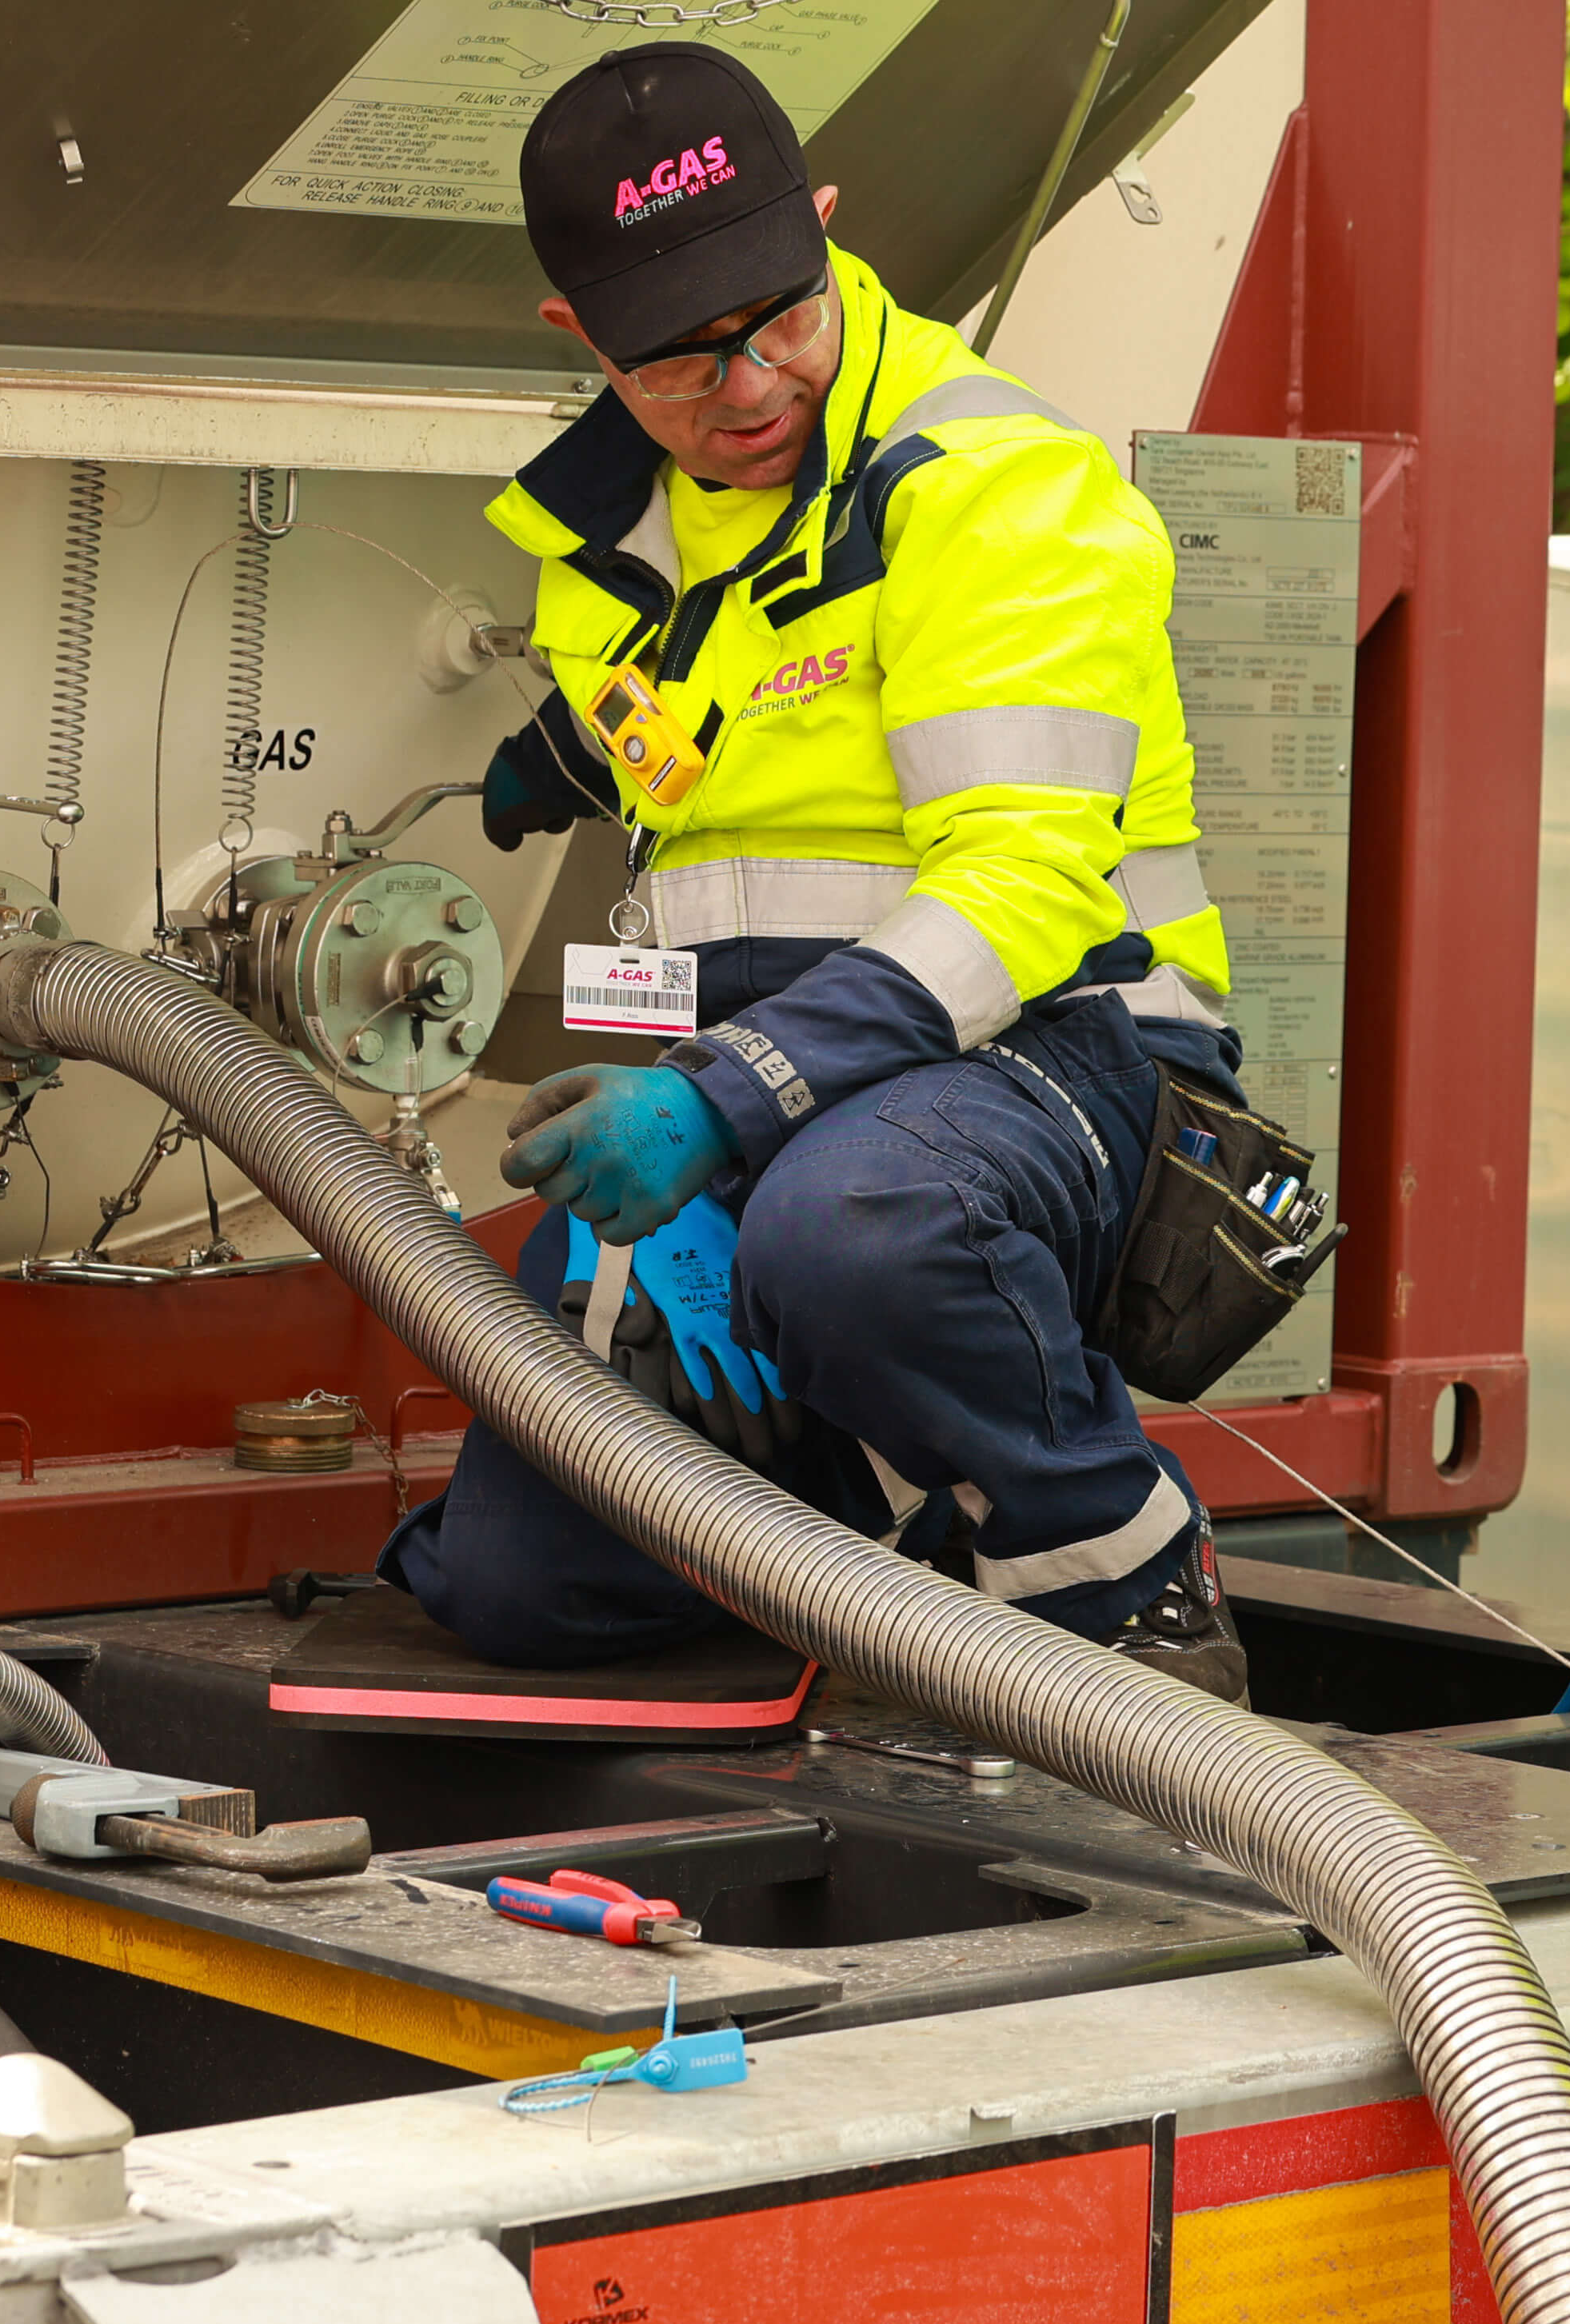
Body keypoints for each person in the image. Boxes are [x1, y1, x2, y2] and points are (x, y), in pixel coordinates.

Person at [378, 42, 1250, 1703]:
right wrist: (569, 759)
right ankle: (878, 1528)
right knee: (520, 1582)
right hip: (772, 1092)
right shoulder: (602, 545)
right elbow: (728, 726)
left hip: (1055, 1056)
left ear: (827, 226)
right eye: (678, 359)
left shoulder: (993, 484)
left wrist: (724, 1110)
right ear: (581, 338)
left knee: (857, 1233)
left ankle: (1128, 1589)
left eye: (781, 317)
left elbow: (1021, 891)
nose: (750, 385)